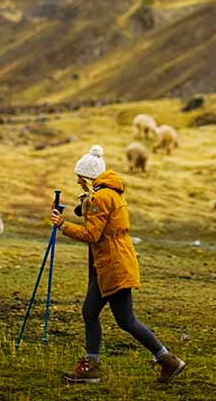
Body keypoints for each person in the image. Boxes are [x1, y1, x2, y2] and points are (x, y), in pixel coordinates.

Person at [50, 145, 186, 384]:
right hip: (113, 262)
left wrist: (63, 224)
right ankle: (92, 366)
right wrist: (86, 203)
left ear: (87, 176)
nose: (78, 182)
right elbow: (98, 219)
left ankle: (168, 360)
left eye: (80, 178)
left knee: (126, 320)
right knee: (91, 311)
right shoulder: (110, 193)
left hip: (113, 265)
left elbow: (92, 235)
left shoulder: (101, 197)